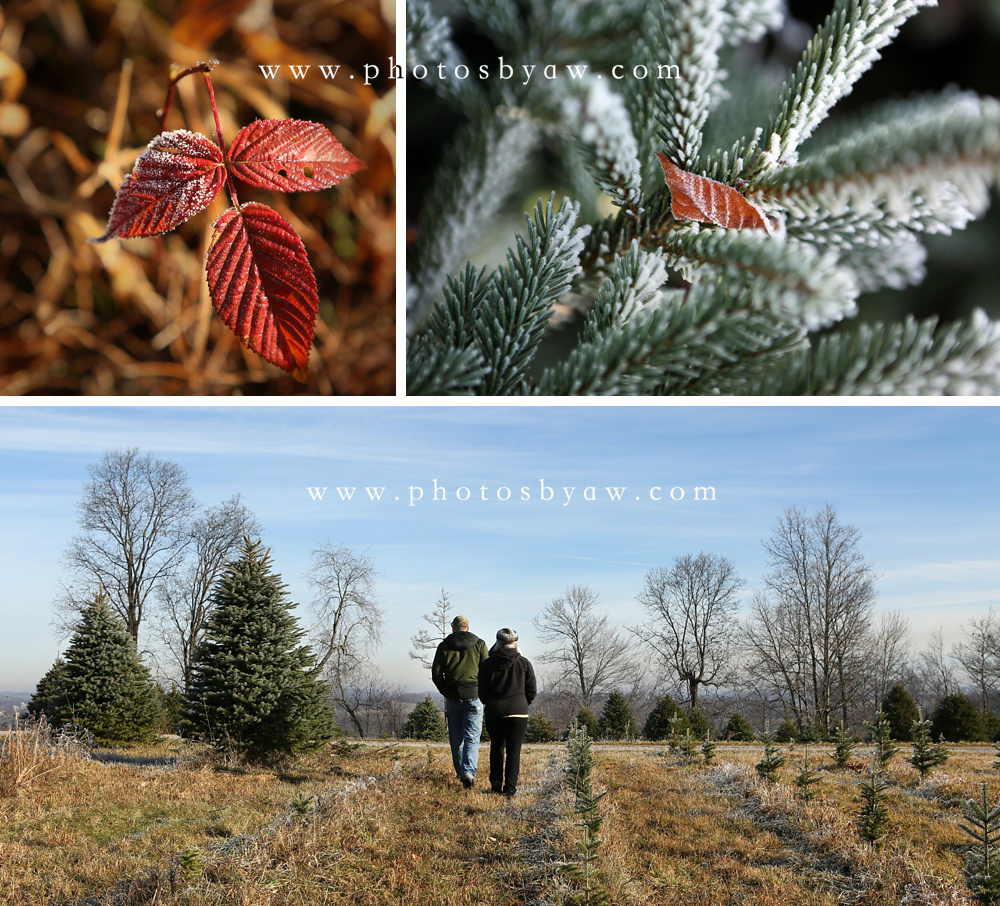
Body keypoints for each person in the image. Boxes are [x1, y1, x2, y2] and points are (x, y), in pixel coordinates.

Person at [478, 628, 536, 797]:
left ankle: (496, 786)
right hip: (519, 711)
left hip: (495, 711)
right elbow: (531, 690)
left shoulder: (487, 664)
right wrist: (523, 703)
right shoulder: (524, 663)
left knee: (496, 747)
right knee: (514, 750)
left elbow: (482, 692)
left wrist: (490, 702)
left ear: (497, 642)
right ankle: (510, 788)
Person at [432, 615, 489, 788]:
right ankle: (468, 773)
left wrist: (446, 691)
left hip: (453, 696)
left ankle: (460, 774)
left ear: (453, 627)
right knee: (472, 737)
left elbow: (436, 673)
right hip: (474, 695)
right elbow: (486, 671)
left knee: (456, 739)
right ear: (467, 627)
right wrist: (482, 691)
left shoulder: (444, 646)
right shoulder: (479, 644)